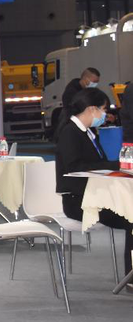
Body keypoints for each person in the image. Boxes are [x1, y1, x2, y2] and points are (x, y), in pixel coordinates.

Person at [55, 87, 133, 280]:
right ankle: (130, 278)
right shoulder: (70, 132)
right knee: (131, 218)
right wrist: (115, 165)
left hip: (96, 196)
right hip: (79, 201)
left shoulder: (89, 133)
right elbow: (75, 168)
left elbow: (98, 164)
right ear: (92, 109)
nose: (105, 115)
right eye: (103, 109)